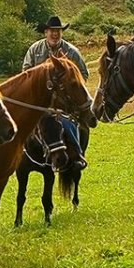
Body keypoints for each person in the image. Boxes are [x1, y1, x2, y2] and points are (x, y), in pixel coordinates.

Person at [22, 15, 90, 170]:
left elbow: (84, 74)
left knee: (71, 123)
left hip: (65, 101)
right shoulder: (34, 50)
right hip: (40, 102)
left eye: (58, 31)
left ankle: (77, 154)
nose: (55, 34)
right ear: (45, 32)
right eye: (52, 31)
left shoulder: (72, 52)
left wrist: (72, 90)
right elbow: (26, 73)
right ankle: (18, 156)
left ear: (61, 32)